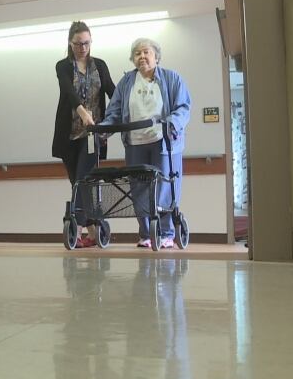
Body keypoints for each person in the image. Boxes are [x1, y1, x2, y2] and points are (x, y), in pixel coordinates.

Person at [101, 38, 191, 248]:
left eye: (146, 52)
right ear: (133, 59)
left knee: (165, 186)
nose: (142, 57)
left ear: (156, 56)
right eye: (137, 54)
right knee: (139, 188)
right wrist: (105, 129)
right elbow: (114, 111)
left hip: (163, 141)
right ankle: (146, 233)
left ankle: (167, 232)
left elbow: (183, 107)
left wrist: (171, 124)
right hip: (135, 142)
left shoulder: (171, 78)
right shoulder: (126, 83)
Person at [52, 21, 116, 247]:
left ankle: (75, 229)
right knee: (79, 184)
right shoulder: (63, 66)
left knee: (82, 180)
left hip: (92, 136)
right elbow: (68, 92)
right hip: (69, 135)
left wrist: (115, 118)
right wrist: (82, 112)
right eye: (78, 44)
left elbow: (112, 91)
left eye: (87, 43)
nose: (83, 48)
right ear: (70, 43)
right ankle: (93, 229)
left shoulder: (100, 65)